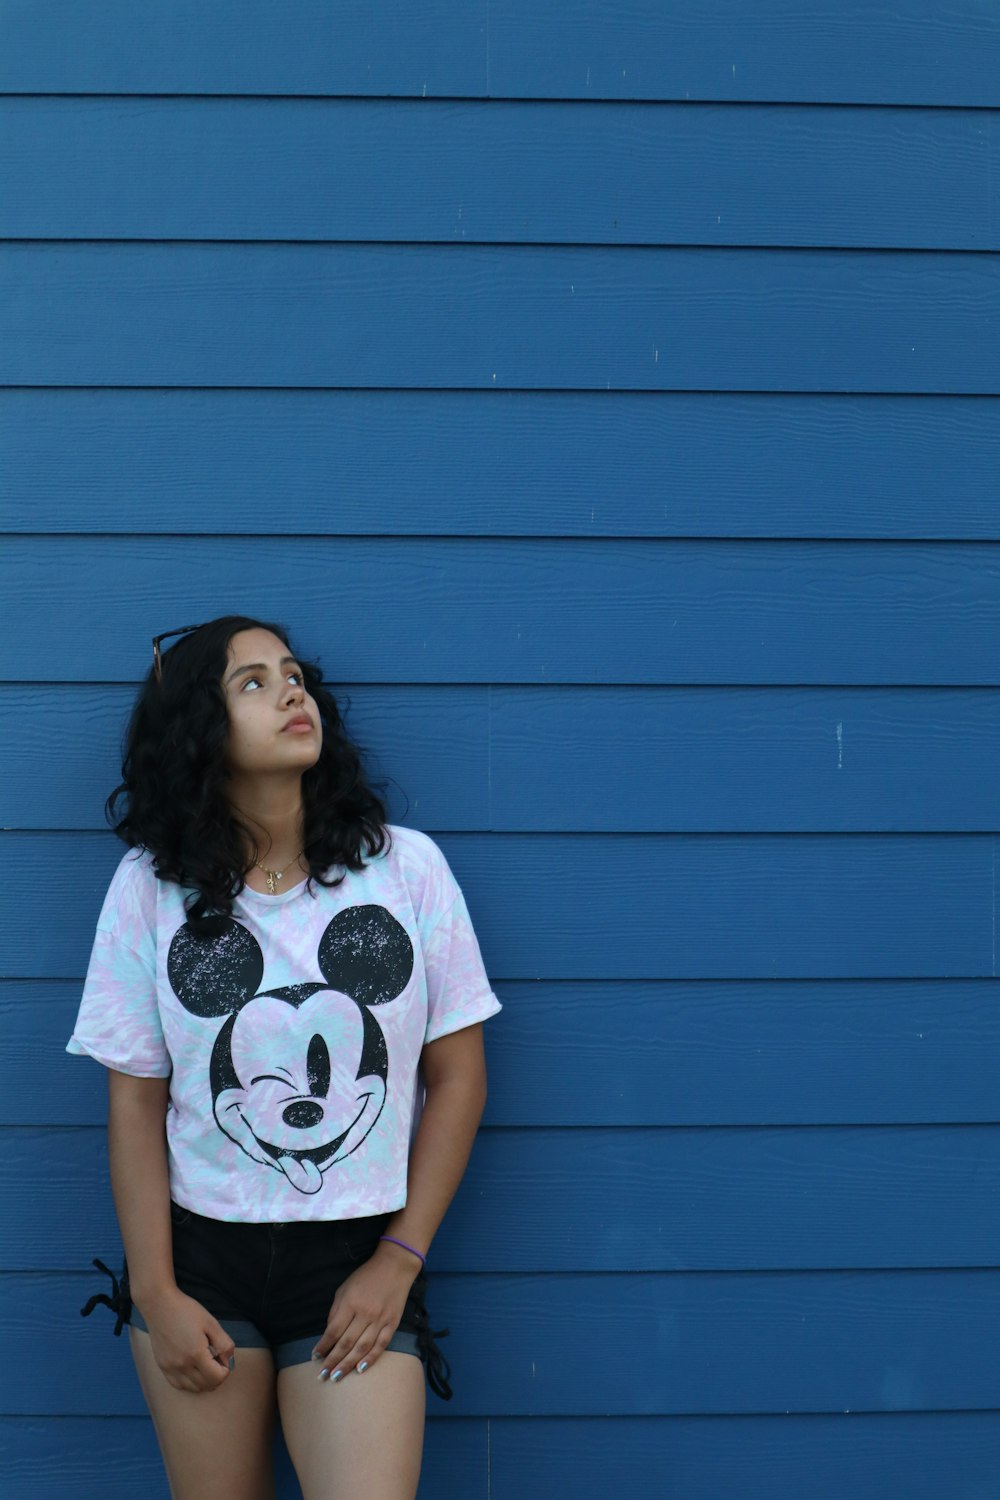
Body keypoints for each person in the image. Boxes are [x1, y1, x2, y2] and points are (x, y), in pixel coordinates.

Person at [67, 614, 502, 1500]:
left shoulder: (404, 871)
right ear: (200, 728)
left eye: (292, 673)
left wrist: (397, 1260)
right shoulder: (152, 888)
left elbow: (458, 1078)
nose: (290, 691)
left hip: (358, 1250)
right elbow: (135, 1103)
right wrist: (153, 1291)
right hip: (200, 1261)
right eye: (252, 683)